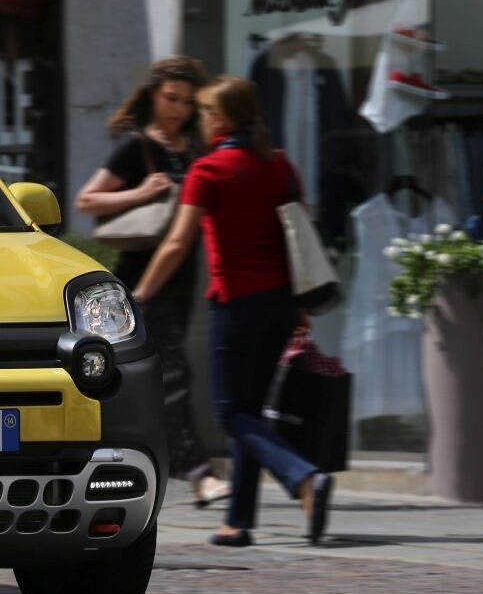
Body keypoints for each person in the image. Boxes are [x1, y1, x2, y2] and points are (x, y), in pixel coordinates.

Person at [133, 76, 334, 546]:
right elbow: (298, 233)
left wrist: (139, 296)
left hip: (236, 305)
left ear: (220, 118)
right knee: (251, 412)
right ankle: (238, 522)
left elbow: (177, 243)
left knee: (231, 415)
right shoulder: (279, 164)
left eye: (205, 112)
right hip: (280, 304)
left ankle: (303, 477)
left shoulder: (208, 170)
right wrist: (299, 307)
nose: (200, 121)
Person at [75, 57, 230, 508]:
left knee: (149, 374)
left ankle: (118, 459)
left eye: (187, 102)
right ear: (153, 96)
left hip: (183, 276)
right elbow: (87, 200)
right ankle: (200, 474)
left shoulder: (195, 149)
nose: (178, 109)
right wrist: (141, 192)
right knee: (175, 374)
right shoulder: (137, 147)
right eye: (170, 98)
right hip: (142, 276)